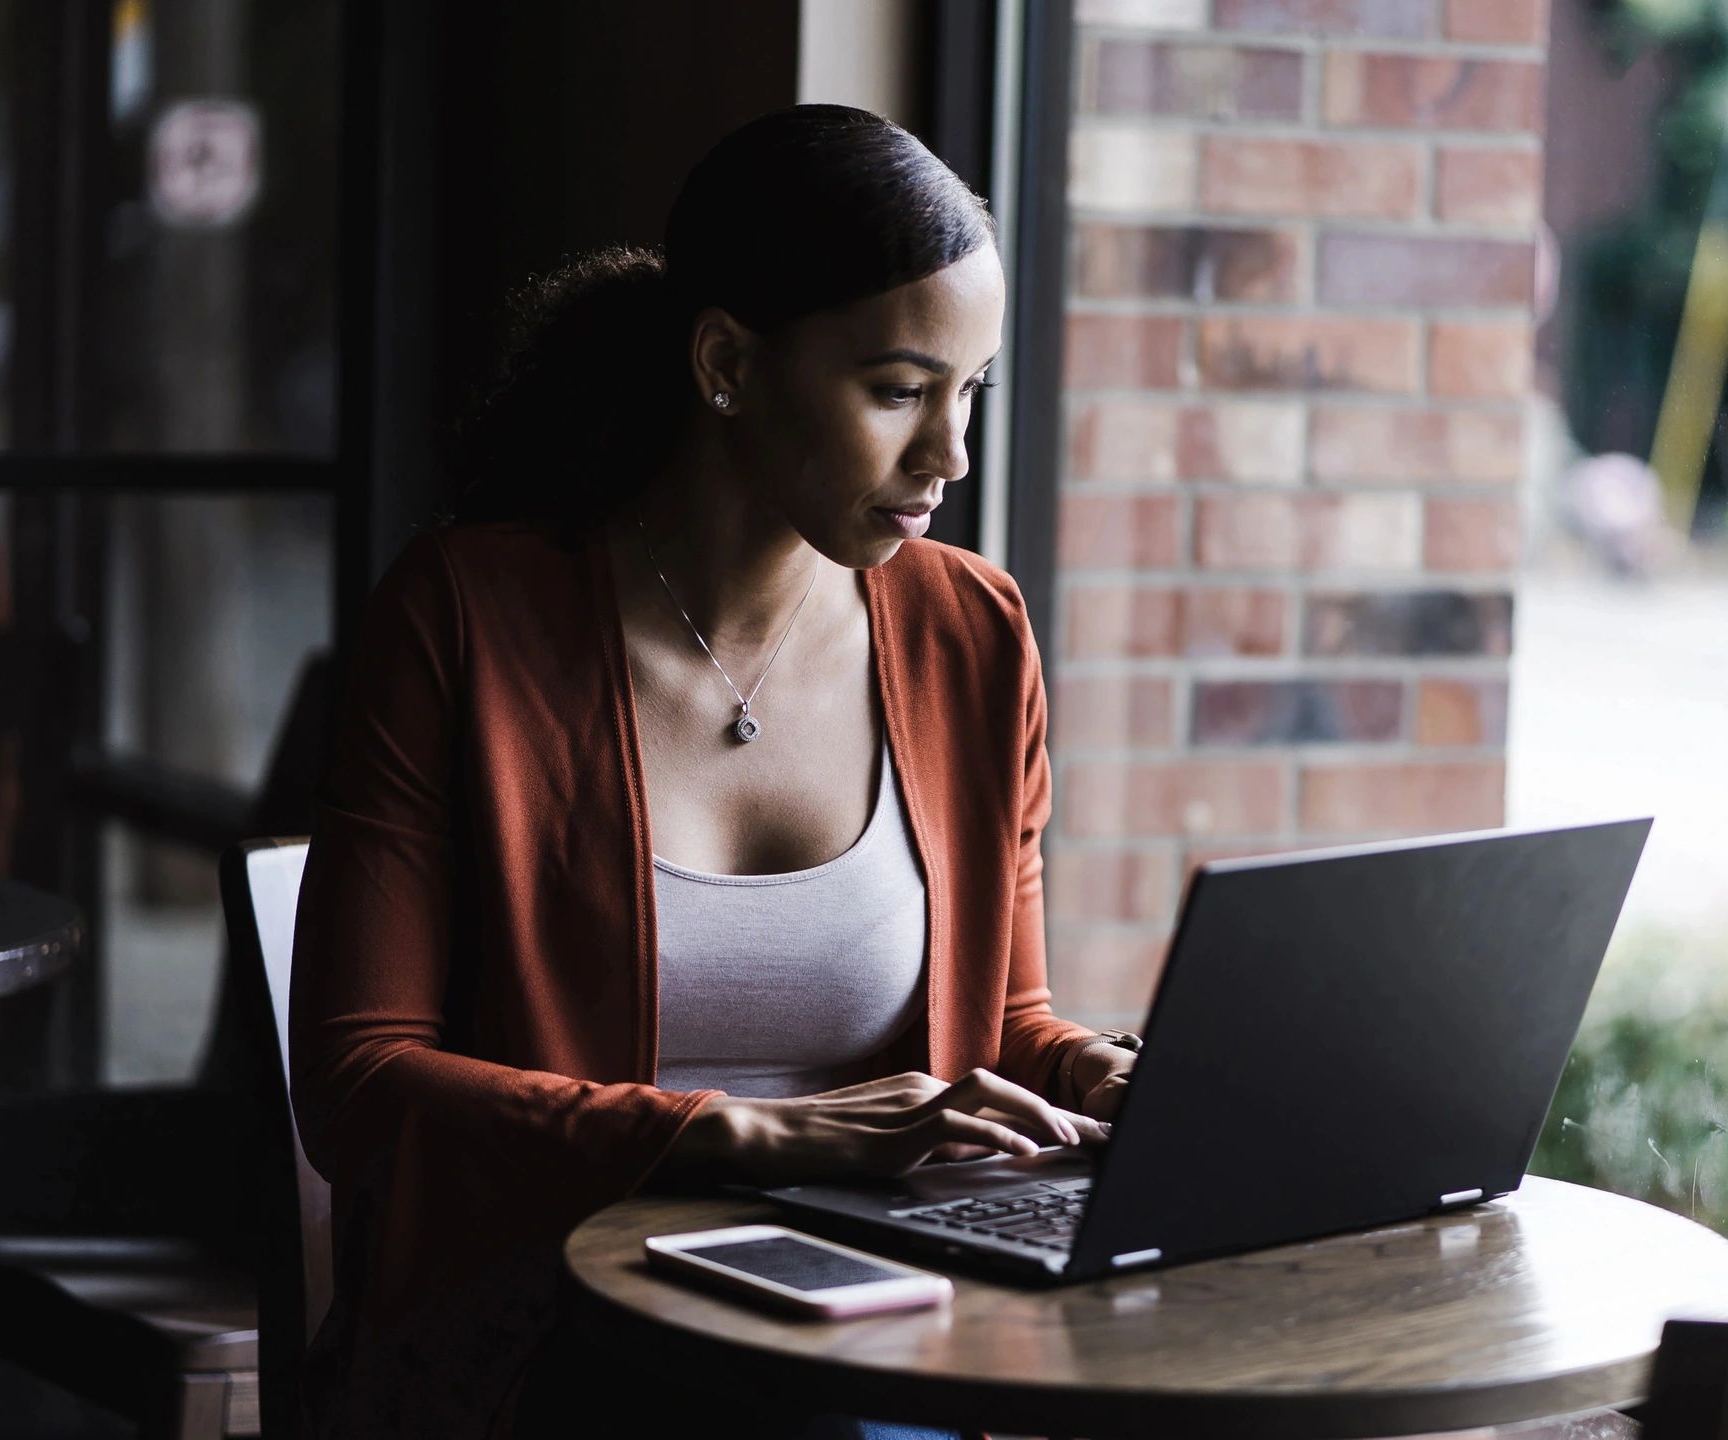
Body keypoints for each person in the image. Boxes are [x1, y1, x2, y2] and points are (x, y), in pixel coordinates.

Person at [287, 103, 1138, 1440]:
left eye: (969, 392)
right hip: (545, 1327)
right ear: (728, 363)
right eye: (899, 390)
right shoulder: (464, 618)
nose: (952, 455)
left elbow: (1003, 1016)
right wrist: (751, 1135)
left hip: (881, 1312)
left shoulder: (973, 634)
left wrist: (1099, 1075)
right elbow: (359, 1082)